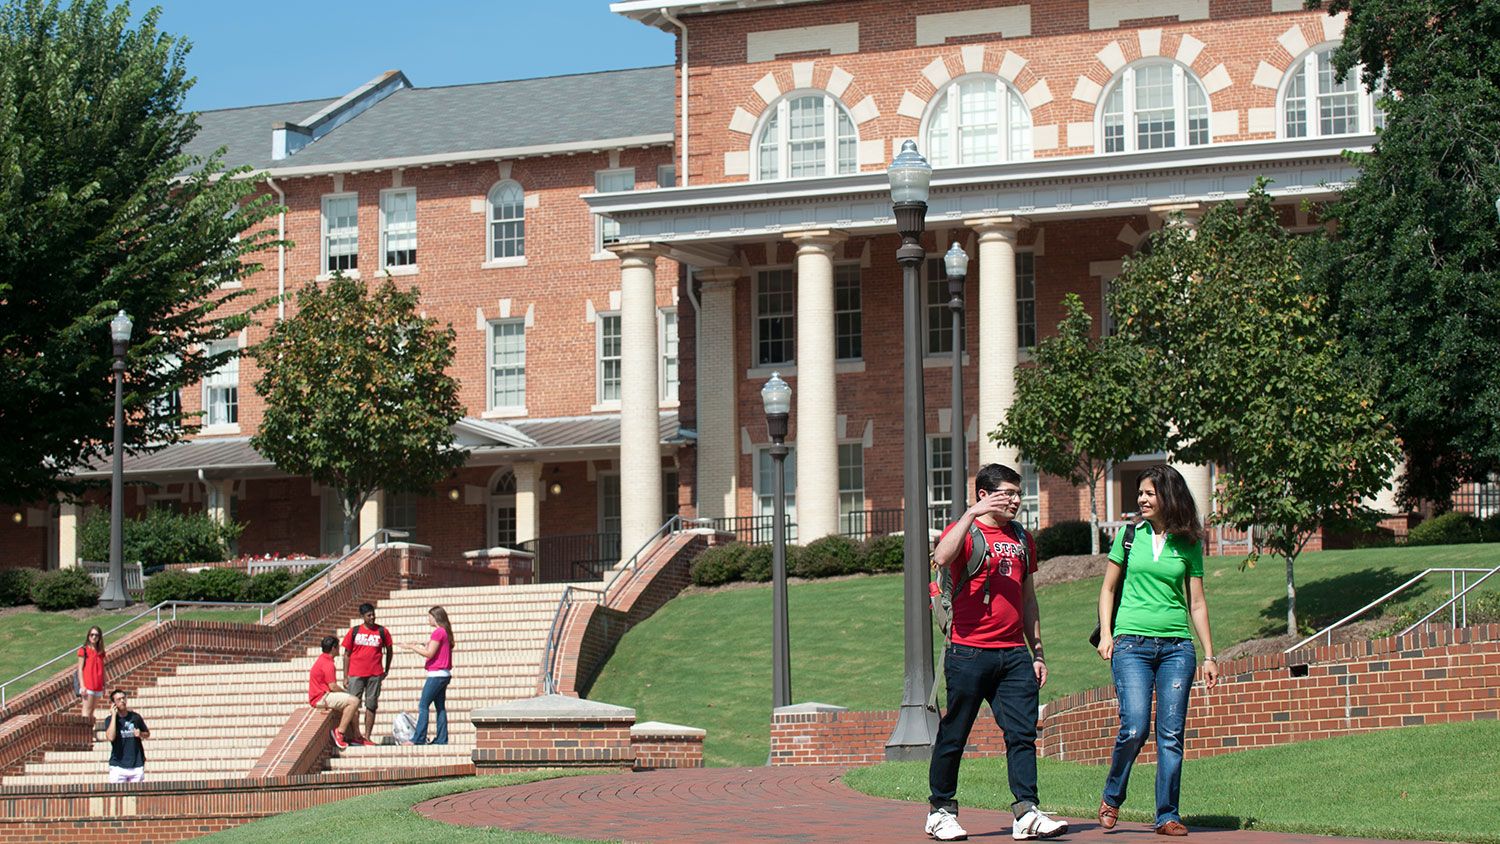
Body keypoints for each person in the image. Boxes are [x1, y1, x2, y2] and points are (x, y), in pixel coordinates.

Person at [926, 464, 1068, 842]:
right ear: (984, 495)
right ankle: (941, 810)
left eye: (1018, 493)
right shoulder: (967, 532)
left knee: (1022, 734)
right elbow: (941, 556)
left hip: (1014, 655)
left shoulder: (1021, 537)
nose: (1016, 500)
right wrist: (971, 514)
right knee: (954, 733)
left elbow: (1028, 596)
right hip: (969, 651)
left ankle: (1026, 812)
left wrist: (1037, 650)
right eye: (1008, 493)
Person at [1095, 465, 1219, 837]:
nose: (1142, 500)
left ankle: (1167, 814)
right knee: (1134, 727)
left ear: (1169, 496)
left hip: (1177, 649)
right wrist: (1106, 633)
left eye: (1149, 493)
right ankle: (1113, 794)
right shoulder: (1129, 536)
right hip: (1131, 643)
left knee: (1171, 734)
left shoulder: (1189, 543)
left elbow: (1196, 603)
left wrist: (1210, 655)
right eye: (1140, 494)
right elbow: (1108, 589)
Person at [399, 606, 454, 746]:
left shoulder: (437, 632)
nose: (428, 619)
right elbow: (434, 646)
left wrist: (412, 647)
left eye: (429, 616)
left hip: (436, 675)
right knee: (440, 707)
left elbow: (429, 653)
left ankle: (418, 738)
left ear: (436, 617)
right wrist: (421, 643)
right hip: (444, 674)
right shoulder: (444, 632)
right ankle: (442, 739)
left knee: (423, 705)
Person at [341, 602, 393, 742]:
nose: (372, 617)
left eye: (373, 614)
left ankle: (367, 736)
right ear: (362, 616)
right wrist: (345, 676)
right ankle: (355, 735)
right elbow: (346, 654)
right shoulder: (354, 631)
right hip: (356, 674)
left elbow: (389, 650)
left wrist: (386, 669)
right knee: (353, 705)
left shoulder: (382, 631)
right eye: (369, 615)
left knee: (371, 705)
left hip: (375, 674)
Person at [309, 634, 368, 749]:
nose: (339, 649)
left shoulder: (323, 659)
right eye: (338, 647)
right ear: (333, 648)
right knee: (354, 701)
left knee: (353, 707)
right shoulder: (328, 664)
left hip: (323, 695)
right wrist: (347, 693)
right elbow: (333, 686)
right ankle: (339, 733)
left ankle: (356, 736)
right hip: (321, 698)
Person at [103, 689, 149, 783]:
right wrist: (114, 716)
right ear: (114, 703)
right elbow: (111, 737)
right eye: (119, 699)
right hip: (118, 765)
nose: (122, 701)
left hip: (136, 763)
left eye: (123, 698)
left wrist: (140, 734)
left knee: (137, 795)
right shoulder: (109, 720)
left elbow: (147, 733)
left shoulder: (135, 717)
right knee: (116, 796)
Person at [76, 626, 106, 723]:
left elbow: (103, 669)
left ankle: (90, 732)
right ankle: (85, 734)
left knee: (92, 711)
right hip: (88, 685)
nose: (94, 637)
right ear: (88, 636)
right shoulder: (84, 650)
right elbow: (80, 669)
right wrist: (82, 685)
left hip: (98, 685)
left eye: (96, 635)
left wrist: (104, 684)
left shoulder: (100, 652)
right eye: (92, 635)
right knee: (86, 710)